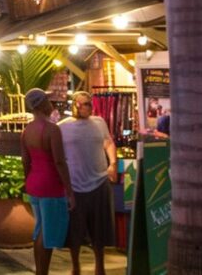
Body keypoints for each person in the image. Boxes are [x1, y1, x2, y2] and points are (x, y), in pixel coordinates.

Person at [59, 91, 117, 275]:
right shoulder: (62, 127)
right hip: (75, 184)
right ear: (75, 104)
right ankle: (75, 267)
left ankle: (100, 267)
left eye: (89, 104)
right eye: (83, 104)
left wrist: (113, 164)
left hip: (99, 181)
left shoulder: (99, 122)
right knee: (74, 231)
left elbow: (108, 143)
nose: (87, 107)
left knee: (100, 229)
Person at [22, 88, 74, 275]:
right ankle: (42, 272)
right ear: (43, 104)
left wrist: (28, 181)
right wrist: (69, 190)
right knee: (47, 231)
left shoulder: (27, 130)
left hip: (35, 183)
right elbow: (59, 161)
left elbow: (25, 161)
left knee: (40, 230)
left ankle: (41, 271)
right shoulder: (52, 129)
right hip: (50, 184)